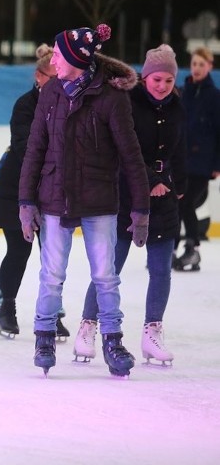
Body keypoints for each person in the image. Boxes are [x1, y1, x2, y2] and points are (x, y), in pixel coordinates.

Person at [18, 24, 150, 377]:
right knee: (52, 274)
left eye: (59, 55)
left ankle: (112, 339)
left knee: (106, 275)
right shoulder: (52, 92)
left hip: (98, 198)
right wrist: (25, 200)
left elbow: (132, 155)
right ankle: (44, 335)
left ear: (77, 60)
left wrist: (141, 208)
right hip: (53, 195)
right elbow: (35, 148)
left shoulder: (111, 97)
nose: (53, 60)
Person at [77, 44, 186, 367]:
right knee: (109, 269)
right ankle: (88, 326)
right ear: (145, 76)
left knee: (161, 270)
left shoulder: (178, 106)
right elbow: (125, 149)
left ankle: (152, 332)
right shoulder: (128, 102)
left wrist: (179, 185)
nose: (162, 87)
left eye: (168, 81)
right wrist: (152, 178)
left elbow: (179, 150)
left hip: (166, 200)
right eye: (156, 80)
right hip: (128, 196)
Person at [0, 44, 69, 340]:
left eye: (64, 77)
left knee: (53, 255)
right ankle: (6, 305)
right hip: (18, 188)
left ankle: (52, 311)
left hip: (52, 190)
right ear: (39, 76)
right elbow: (25, 148)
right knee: (19, 249)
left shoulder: (69, 104)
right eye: (54, 77)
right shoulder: (25, 105)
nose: (61, 83)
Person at [173, 47, 220, 271]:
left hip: (203, 163)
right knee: (178, 202)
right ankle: (171, 248)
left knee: (185, 201)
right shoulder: (184, 91)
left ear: (210, 66)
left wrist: (217, 164)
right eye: (194, 64)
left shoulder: (215, 96)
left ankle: (191, 249)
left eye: (202, 64)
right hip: (181, 160)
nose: (197, 68)